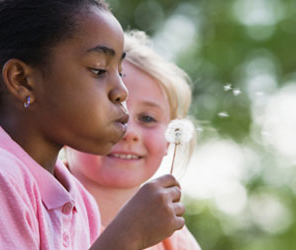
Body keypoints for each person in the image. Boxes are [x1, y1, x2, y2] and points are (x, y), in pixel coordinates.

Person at [0, 1, 185, 249]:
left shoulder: (80, 201)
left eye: (119, 72)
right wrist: (127, 238)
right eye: (99, 70)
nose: (122, 91)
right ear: (21, 79)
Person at [64, 30, 201, 250]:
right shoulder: (35, 203)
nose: (129, 132)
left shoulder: (174, 240)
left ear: (170, 139)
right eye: (108, 109)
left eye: (148, 118)